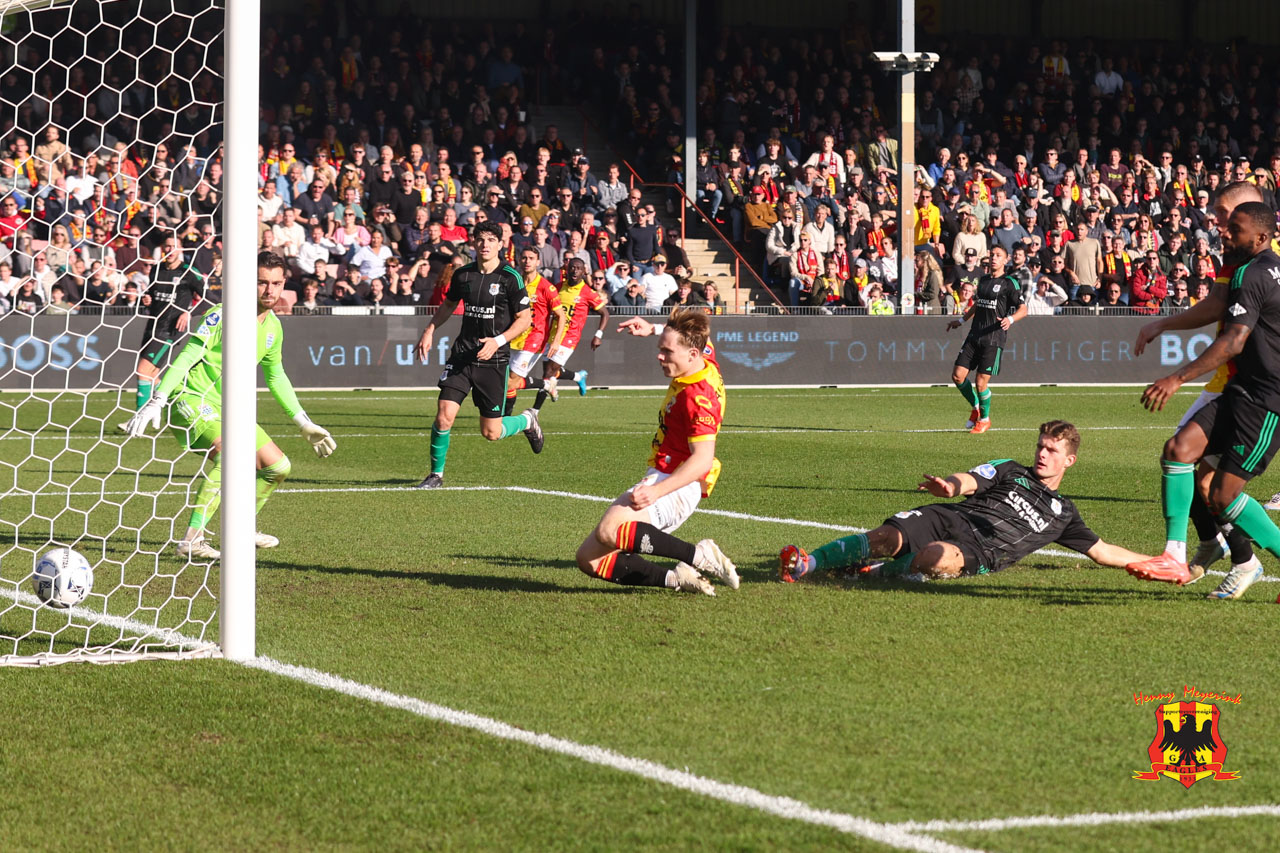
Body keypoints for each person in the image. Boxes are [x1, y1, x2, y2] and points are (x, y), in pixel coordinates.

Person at [121, 251, 337, 559]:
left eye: (276, 283)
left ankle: (241, 528)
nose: (269, 290)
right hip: (191, 398)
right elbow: (187, 357)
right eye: (262, 282)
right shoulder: (223, 314)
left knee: (278, 467)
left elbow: (276, 378)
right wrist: (158, 399)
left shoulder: (274, 328)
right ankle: (191, 541)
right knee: (232, 454)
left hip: (231, 408)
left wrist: (303, 422)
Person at [779, 420, 1153, 582]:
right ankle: (807, 564)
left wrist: (1158, 564)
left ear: (1069, 460)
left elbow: (1104, 552)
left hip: (982, 550)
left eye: (1052, 450)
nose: (1042, 454)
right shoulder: (1010, 469)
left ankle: (871, 574)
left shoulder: (1063, 514)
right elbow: (971, 479)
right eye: (1040, 446)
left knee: (936, 559)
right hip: (951, 515)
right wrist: (950, 487)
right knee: (886, 538)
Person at [1128, 201, 1280, 599]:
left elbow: (1234, 339)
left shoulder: (1252, 273)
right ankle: (1174, 555)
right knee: (1179, 450)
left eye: (1235, 227)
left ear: (1261, 237)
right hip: (1240, 388)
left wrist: (1176, 378)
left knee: (1222, 494)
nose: (1225, 233)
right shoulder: (1257, 267)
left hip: (1268, 400)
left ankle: (1240, 557)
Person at [572, 310, 737, 596]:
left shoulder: (698, 398)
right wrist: (653, 329)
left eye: (667, 351)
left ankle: (699, 555)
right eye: (659, 348)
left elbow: (703, 460)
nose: (659, 356)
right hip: (666, 473)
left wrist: (657, 491)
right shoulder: (704, 357)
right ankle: (678, 579)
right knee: (590, 559)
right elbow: (703, 341)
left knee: (610, 530)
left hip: (678, 482)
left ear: (691, 354)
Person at [412, 221, 536, 489]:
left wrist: (499, 340)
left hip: (494, 360)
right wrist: (430, 329)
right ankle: (436, 475)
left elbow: (525, 319)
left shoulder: (510, 277)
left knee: (491, 432)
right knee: (444, 414)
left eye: (492, 239)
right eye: (481, 239)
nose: (486, 244)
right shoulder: (463, 274)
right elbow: (448, 305)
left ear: (501, 244)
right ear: (474, 243)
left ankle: (527, 420)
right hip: (463, 356)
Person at [946, 244, 1025, 434]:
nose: (994, 258)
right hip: (974, 335)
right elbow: (977, 305)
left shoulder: (1010, 282)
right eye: (992, 255)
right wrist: (961, 320)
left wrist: (1010, 319)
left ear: (1006, 260)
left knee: (981, 382)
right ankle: (975, 407)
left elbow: (1024, 309)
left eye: (998, 255)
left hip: (993, 338)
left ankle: (985, 419)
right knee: (957, 376)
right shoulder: (982, 281)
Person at [126, 237, 205, 413]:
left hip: (170, 330)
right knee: (153, 376)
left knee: (143, 371)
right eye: (167, 246)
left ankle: (140, 416)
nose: (170, 250)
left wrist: (189, 312)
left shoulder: (189, 272)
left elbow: (206, 298)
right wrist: (147, 299)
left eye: (174, 246)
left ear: (180, 249)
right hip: (153, 326)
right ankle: (176, 406)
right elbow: (152, 294)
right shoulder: (157, 269)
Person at [503, 246, 568, 418]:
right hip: (514, 335)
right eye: (524, 258)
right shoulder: (515, 283)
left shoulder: (546, 287)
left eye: (531, 258)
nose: (527, 261)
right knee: (507, 381)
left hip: (535, 339)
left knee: (510, 382)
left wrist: (555, 341)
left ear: (538, 262)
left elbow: (561, 316)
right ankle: (546, 385)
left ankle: (504, 418)